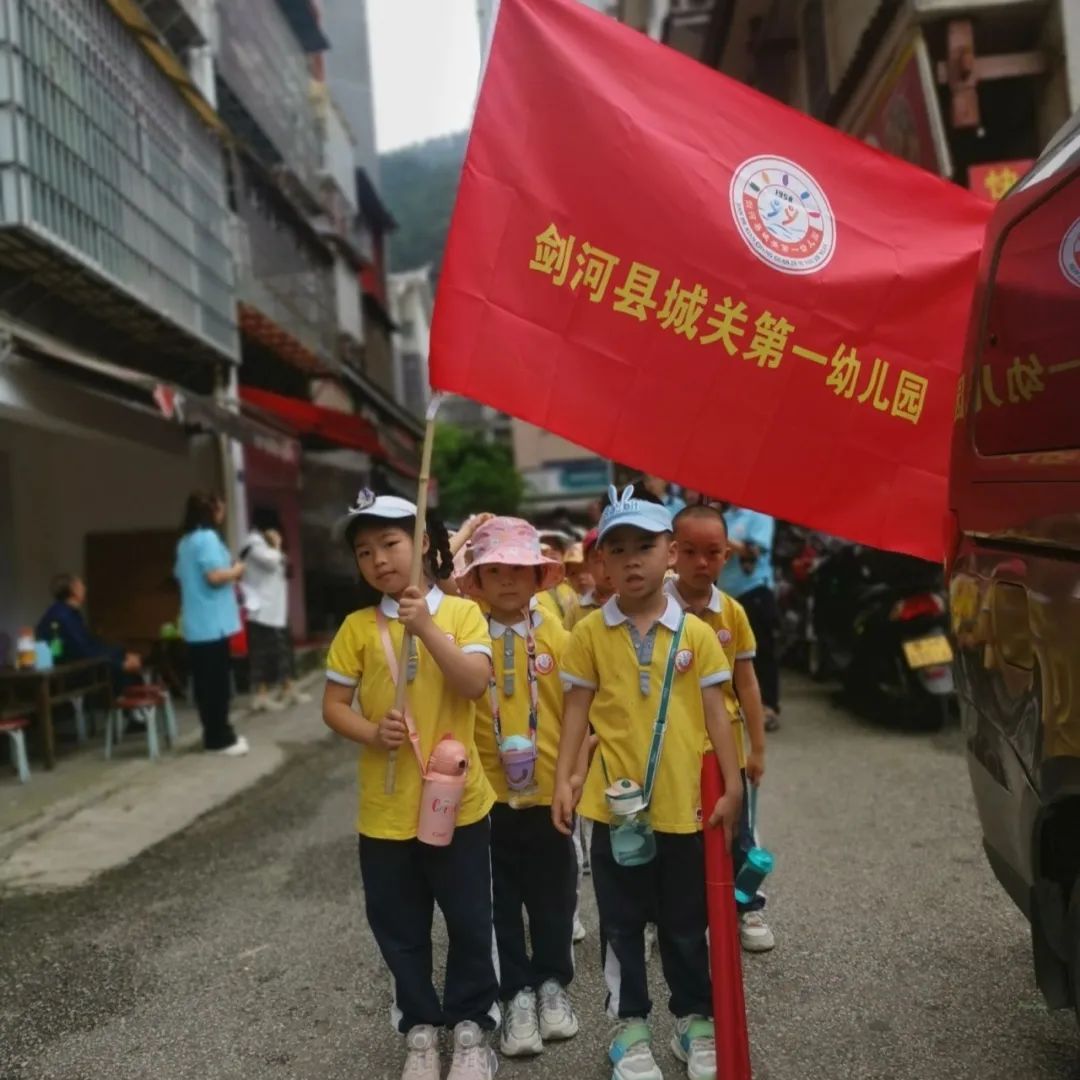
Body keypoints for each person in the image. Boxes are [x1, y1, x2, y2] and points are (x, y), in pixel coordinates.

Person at [552, 486, 742, 1080]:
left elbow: (718, 714)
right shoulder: (587, 634)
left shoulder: (699, 634)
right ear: (601, 563)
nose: (632, 559)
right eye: (618, 549)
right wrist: (565, 779)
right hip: (615, 813)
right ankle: (628, 1029)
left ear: (670, 555)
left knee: (688, 924)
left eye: (645, 546)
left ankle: (694, 1022)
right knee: (621, 924)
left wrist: (733, 787)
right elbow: (576, 713)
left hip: (684, 808)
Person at [321, 489, 500, 1080]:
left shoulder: (462, 614)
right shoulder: (354, 629)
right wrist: (372, 734)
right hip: (386, 811)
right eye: (364, 550)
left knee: (470, 918)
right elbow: (333, 706)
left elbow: (474, 682)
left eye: (391, 543)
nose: (379, 560)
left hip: (459, 804)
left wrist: (425, 626)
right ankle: (421, 1028)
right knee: (398, 925)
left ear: (423, 542)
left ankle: (473, 1026)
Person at [458, 517, 580, 1060]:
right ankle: (517, 994)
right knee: (499, 902)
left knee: (555, 895)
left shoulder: (558, 635)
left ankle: (554, 985)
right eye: (495, 571)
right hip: (487, 798)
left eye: (520, 570)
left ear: (539, 577)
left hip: (549, 794)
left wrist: (573, 778)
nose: (508, 581)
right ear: (476, 582)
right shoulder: (467, 638)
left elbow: (580, 710)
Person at [668, 504, 775, 953]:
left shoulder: (732, 612)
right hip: (673, 744)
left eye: (712, 552)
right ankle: (667, 913)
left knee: (737, 831)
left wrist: (758, 748)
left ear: (727, 556)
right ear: (672, 552)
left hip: (723, 745)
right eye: (689, 551)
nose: (701, 562)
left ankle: (747, 908)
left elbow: (747, 682)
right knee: (675, 834)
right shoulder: (658, 610)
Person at [174, 492, 248, 756]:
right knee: (217, 686)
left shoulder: (185, 542)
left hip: (196, 625)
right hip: (212, 623)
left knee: (206, 687)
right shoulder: (207, 538)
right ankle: (220, 738)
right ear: (212, 510)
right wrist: (237, 571)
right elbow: (215, 576)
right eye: (220, 508)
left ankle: (213, 734)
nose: (223, 513)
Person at [241, 508, 311, 712]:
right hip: (262, 611)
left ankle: (287, 689)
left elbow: (282, 564)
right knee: (263, 655)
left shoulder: (264, 543)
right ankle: (261, 696)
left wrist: (278, 548)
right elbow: (272, 561)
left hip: (275, 609)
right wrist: (278, 545)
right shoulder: (253, 543)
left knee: (282, 653)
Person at [719, 505, 781, 732]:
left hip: (754, 590)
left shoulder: (759, 514)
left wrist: (721, 537)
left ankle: (768, 707)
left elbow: (753, 551)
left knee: (760, 650)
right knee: (729, 652)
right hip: (726, 593)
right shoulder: (723, 517)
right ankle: (732, 707)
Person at [36, 574, 142, 689]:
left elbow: (90, 645)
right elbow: (84, 651)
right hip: (66, 672)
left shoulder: (67, 612)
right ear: (74, 589)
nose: (85, 588)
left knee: (124, 661)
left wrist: (122, 655)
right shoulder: (63, 616)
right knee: (126, 675)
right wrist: (120, 664)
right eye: (81, 584)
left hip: (76, 664)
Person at [563, 529, 612, 630]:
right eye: (598, 560)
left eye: (614, 554)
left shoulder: (641, 605)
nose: (607, 566)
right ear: (587, 565)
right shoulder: (576, 612)